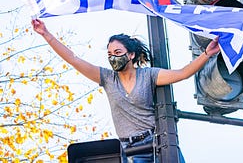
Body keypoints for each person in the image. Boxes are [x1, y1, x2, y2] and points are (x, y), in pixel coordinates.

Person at [31, 18, 220, 163]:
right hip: (129, 151)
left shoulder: (148, 75)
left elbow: (182, 73)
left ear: (131, 55)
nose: (113, 58)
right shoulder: (107, 78)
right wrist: (46, 34)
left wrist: (206, 54)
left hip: (155, 143)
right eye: (110, 55)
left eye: (118, 53)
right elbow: (74, 59)